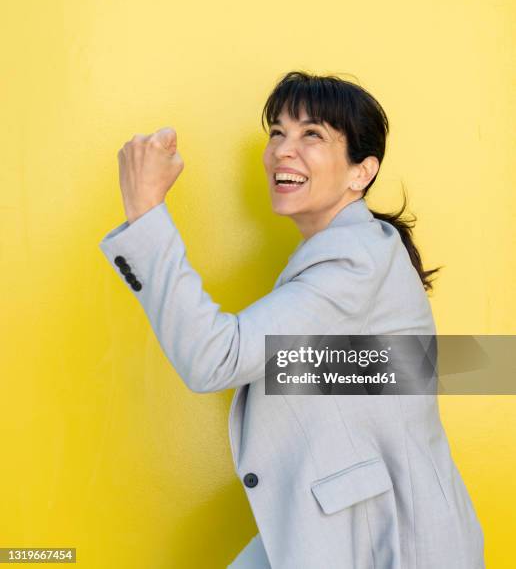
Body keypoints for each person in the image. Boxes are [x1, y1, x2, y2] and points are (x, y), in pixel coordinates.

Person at [99, 71, 485, 568]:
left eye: (312, 135)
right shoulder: (353, 254)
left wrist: (146, 213)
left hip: (391, 544)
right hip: (346, 529)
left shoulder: (355, 259)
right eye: (278, 132)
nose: (283, 148)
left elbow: (217, 359)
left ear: (360, 172)